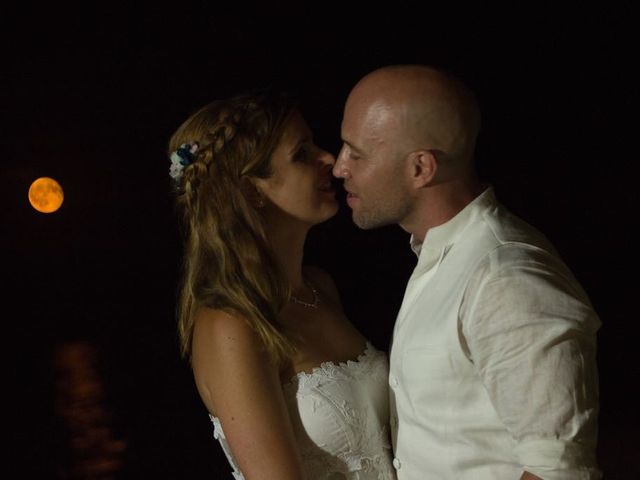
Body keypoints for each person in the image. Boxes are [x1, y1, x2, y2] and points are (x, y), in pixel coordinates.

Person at [333, 65, 601, 480]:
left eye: (357, 153)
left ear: (421, 168)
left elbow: (558, 471)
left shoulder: (506, 276)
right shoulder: (444, 255)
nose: (339, 168)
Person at [169, 89, 397, 480]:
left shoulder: (320, 289)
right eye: (302, 153)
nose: (329, 158)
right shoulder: (231, 325)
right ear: (250, 191)